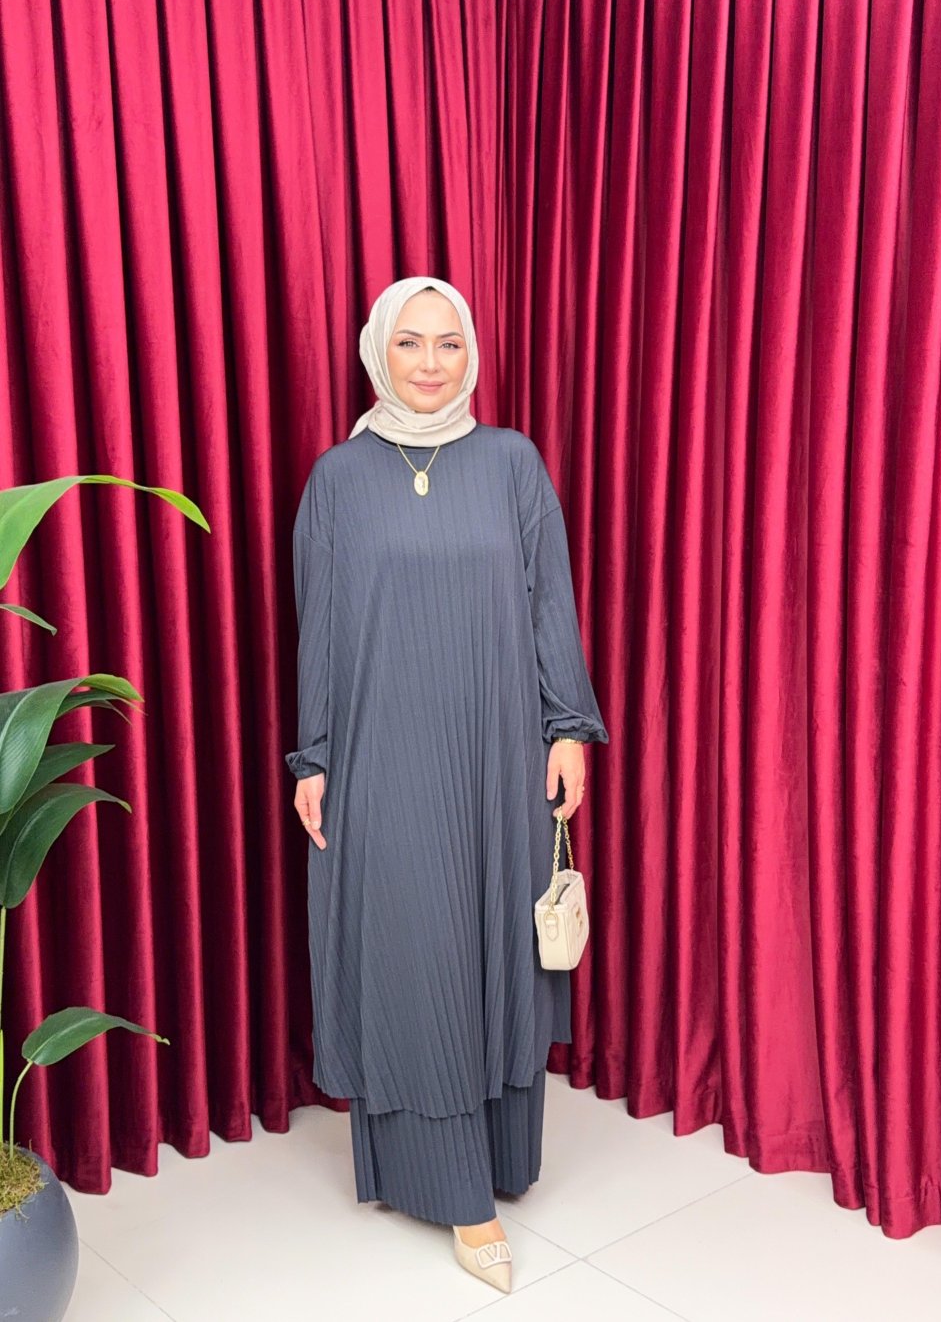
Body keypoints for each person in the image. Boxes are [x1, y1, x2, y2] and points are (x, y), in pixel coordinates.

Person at [285, 275, 609, 1294]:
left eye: (449, 344)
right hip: (385, 757)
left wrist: (568, 727)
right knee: (416, 953)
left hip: (499, 752)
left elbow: (548, 599)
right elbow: (318, 625)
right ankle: (461, 1193)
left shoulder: (511, 463)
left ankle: (496, 1156)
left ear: (471, 355)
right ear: (377, 352)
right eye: (411, 343)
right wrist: (313, 755)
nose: (430, 364)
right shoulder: (339, 479)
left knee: (492, 946)